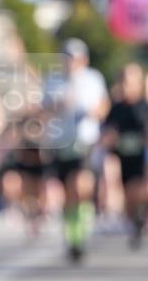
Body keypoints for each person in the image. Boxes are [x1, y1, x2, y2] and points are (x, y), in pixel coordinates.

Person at [44, 39, 110, 261]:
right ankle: (73, 237)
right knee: (68, 194)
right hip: (61, 143)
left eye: (75, 58)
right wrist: (57, 106)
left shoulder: (93, 79)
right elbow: (42, 109)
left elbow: (103, 105)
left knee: (81, 186)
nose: (71, 62)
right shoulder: (53, 81)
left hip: (85, 142)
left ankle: (82, 232)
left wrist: (93, 112)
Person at [101, 63, 148, 248]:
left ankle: (140, 214)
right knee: (129, 198)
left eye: (130, 82)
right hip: (122, 157)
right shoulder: (116, 108)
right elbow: (107, 131)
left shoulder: (144, 106)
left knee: (138, 190)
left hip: (142, 158)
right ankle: (134, 221)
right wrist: (110, 137)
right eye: (124, 82)